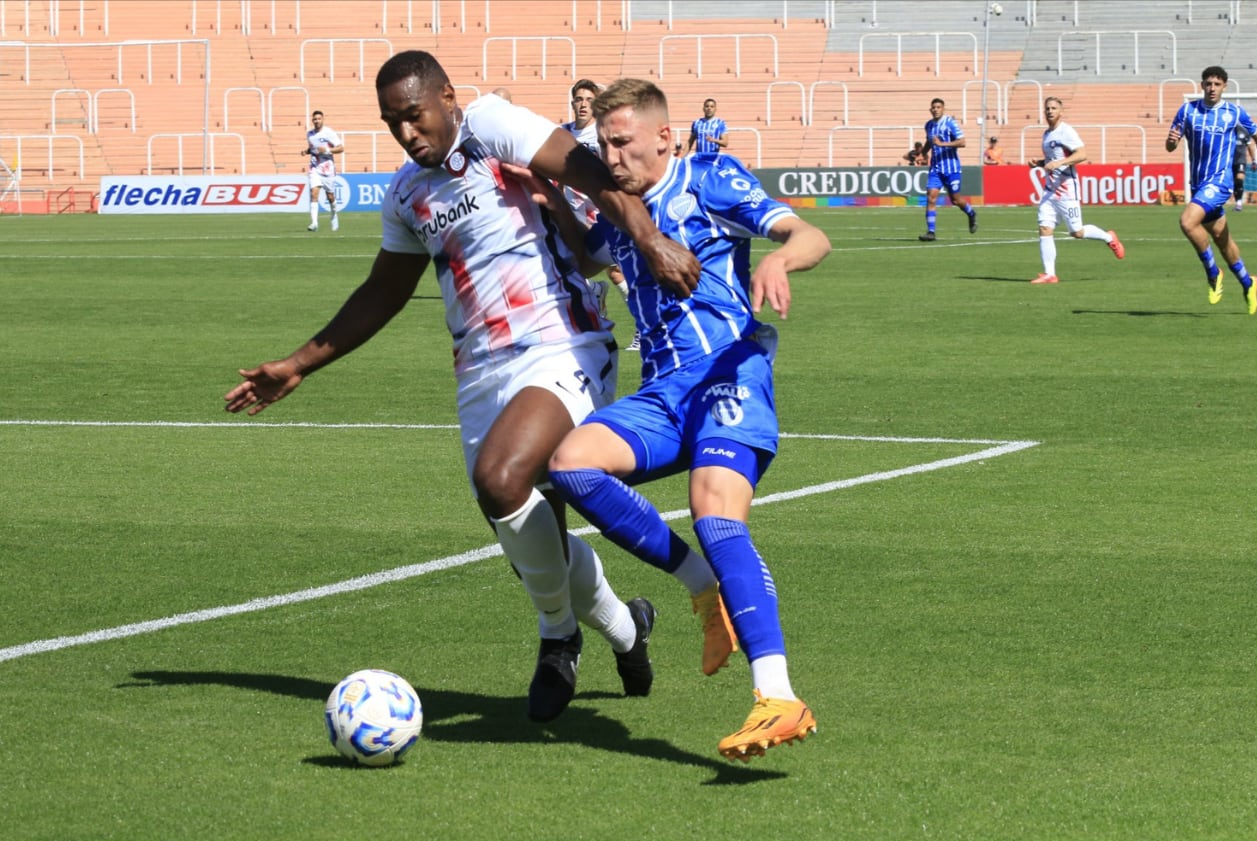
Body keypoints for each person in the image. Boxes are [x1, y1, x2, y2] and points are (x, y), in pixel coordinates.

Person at [225, 50, 713, 725]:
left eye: (414, 116)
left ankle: (556, 639)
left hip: (561, 343)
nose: (406, 134)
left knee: (502, 477)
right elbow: (383, 292)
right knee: (530, 539)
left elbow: (587, 170)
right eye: (392, 123)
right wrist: (299, 364)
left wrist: (649, 237)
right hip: (479, 374)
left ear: (447, 97)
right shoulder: (407, 195)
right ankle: (628, 629)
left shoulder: (491, 124)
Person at [546, 78, 831, 762]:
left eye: (622, 142)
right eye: (602, 145)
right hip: (663, 394)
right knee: (568, 465)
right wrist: (548, 193)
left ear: (664, 137)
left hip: (729, 374)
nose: (610, 157)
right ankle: (704, 589)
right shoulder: (620, 211)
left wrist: (780, 257)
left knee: (713, 506)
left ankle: (779, 693)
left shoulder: (709, 178)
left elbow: (808, 232)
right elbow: (590, 256)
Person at [1166, 65, 1257, 314]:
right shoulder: (1188, 110)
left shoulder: (1233, 112)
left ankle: (1213, 273)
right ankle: (1249, 283)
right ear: (1201, 85)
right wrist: (1171, 142)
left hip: (1220, 183)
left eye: (1217, 84)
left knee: (1187, 222)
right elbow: (1171, 144)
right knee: (1223, 241)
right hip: (1199, 184)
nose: (1212, 88)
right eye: (1208, 83)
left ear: (1224, 86)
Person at [561, 79, 638, 352]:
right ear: (572, 103)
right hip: (573, 215)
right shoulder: (562, 134)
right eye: (578, 99)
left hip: (600, 214)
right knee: (565, 264)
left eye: (588, 100)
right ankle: (590, 305)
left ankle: (600, 299)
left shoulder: (601, 134)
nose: (583, 104)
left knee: (618, 270)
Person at [1027, 97, 1125, 284]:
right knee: (1044, 228)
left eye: (1054, 108)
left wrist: (1060, 163)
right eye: (1047, 108)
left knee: (1077, 232)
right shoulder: (1047, 134)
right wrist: (1039, 163)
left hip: (1067, 190)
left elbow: (1082, 154)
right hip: (1050, 190)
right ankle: (1050, 274)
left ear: (1060, 111)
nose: (1050, 111)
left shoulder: (1066, 131)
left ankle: (1108, 237)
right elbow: (1052, 159)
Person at [917, 97, 977, 241]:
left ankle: (971, 213)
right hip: (936, 168)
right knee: (931, 197)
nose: (936, 110)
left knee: (955, 200)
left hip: (951, 168)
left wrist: (942, 144)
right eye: (934, 107)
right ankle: (931, 232)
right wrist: (923, 153)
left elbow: (962, 142)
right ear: (930, 110)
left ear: (943, 109)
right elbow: (929, 141)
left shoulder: (950, 122)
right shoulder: (929, 125)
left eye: (938, 107)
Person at [303, 110, 344, 232]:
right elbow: (313, 148)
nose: (317, 121)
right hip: (315, 167)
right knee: (314, 193)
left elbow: (341, 148)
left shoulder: (329, 133)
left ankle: (334, 215)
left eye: (319, 119)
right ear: (312, 121)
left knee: (330, 196)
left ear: (323, 119)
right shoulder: (309, 134)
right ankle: (314, 223)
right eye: (315, 119)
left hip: (328, 169)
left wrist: (326, 150)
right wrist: (306, 151)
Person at [1232, 123, 1257, 211]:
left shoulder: (1244, 131)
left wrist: (1254, 160)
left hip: (1240, 160)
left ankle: (1239, 202)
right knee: (1229, 183)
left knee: (1239, 180)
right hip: (1227, 161)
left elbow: (1250, 146)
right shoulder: (1226, 129)